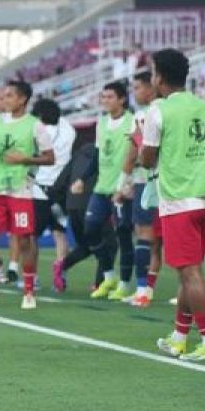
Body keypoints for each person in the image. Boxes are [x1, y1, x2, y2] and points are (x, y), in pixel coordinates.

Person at [141, 49, 205, 362]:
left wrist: (139, 143)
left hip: (180, 201)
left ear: (159, 77)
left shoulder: (158, 110)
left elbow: (147, 159)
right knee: (190, 273)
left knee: (190, 274)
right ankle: (179, 337)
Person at [0, 80, 55, 309]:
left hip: (21, 192)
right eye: (3, 95)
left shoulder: (35, 126)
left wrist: (25, 159)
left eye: (9, 96)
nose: (4, 99)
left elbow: (50, 158)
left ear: (22, 99)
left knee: (24, 240)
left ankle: (28, 291)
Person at [54, 81, 134, 299]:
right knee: (90, 229)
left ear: (122, 99)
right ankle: (109, 276)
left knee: (123, 235)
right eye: (103, 97)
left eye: (109, 97)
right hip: (102, 186)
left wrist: (127, 182)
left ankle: (125, 285)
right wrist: (82, 178)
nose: (105, 100)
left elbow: (134, 153)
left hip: (122, 186)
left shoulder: (133, 122)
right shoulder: (102, 123)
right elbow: (98, 156)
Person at [127, 70, 162, 307]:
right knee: (151, 237)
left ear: (151, 88)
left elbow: (139, 154)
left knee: (148, 235)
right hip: (148, 181)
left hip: (153, 181)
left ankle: (143, 289)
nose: (135, 92)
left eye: (138, 88)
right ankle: (145, 289)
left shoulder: (151, 113)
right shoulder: (141, 115)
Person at [32, 97, 74, 267]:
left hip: (39, 189)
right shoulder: (68, 129)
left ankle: (32, 276)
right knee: (59, 232)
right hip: (61, 189)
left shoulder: (37, 131)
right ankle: (60, 271)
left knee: (32, 235)